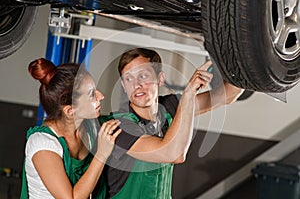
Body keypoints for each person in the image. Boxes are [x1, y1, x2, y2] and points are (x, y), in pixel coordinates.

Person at [101, 48, 244, 198]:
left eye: (143, 76)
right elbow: (172, 154)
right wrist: (188, 95)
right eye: (128, 79)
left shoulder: (170, 106)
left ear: (160, 78)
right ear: (123, 86)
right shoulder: (119, 126)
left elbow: (228, 94)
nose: (136, 84)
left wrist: (248, 59)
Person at [20, 58, 122, 199]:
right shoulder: (42, 144)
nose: (101, 96)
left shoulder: (89, 127)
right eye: (92, 94)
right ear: (70, 110)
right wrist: (101, 155)